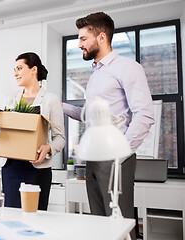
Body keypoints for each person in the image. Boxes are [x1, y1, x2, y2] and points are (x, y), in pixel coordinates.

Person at [62, 12, 154, 239]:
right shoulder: (96, 75)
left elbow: (145, 115)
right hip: (94, 158)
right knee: (100, 224)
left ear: (101, 37)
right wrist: (58, 105)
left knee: (119, 223)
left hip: (116, 158)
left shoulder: (127, 68)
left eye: (84, 38)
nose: (79, 44)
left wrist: (120, 153)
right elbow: (89, 116)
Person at [0, 52, 66, 210]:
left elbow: (60, 138)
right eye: (14, 69)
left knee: (35, 215)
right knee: (11, 215)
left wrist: (48, 148)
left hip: (37, 168)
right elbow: (5, 131)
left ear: (33, 70)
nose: (15, 73)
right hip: (11, 167)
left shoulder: (51, 100)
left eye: (19, 68)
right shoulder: (10, 99)